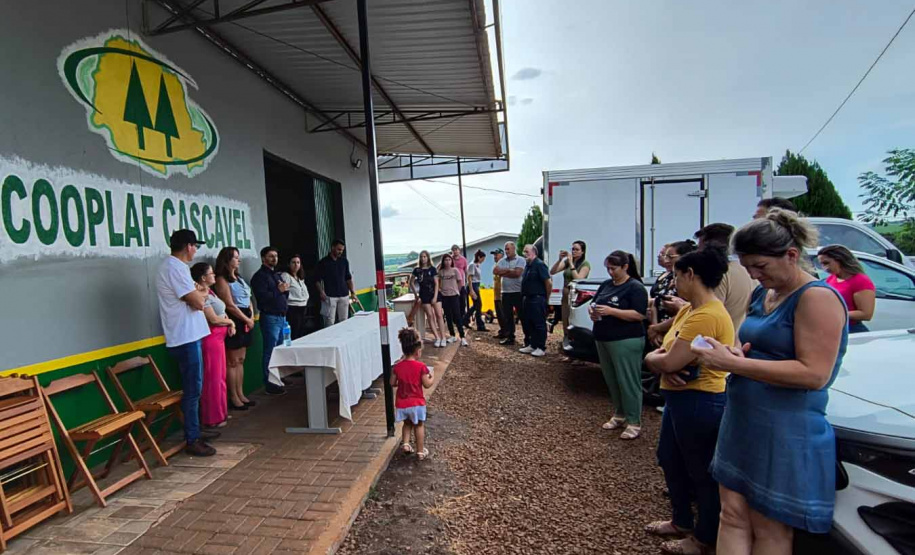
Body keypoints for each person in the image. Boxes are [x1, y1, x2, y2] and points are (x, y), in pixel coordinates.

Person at [692, 209, 848, 554]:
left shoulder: (816, 298)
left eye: (761, 267)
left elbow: (814, 374)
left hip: (783, 428)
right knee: (731, 515)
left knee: (769, 529)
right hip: (744, 419)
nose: (754, 275)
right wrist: (734, 354)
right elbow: (759, 349)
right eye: (748, 268)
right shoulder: (764, 294)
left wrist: (736, 366)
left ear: (792, 255)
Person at [643, 248, 734, 555]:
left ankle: (704, 537)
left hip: (700, 400)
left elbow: (670, 362)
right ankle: (681, 520)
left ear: (691, 275)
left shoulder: (707, 315)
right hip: (679, 398)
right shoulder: (689, 309)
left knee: (700, 470)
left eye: (678, 276)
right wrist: (658, 358)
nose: (674, 282)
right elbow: (665, 356)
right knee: (669, 457)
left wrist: (655, 359)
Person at [156, 230, 219, 457]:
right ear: (188, 246)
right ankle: (192, 438)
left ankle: (197, 430)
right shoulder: (174, 267)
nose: (195, 251)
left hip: (191, 334)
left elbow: (202, 295)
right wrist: (201, 292)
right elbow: (198, 302)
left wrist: (200, 292)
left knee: (197, 387)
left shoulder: (179, 268)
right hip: (184, 337)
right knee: (193, 389)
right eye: (195, 246)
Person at [590, 250, 647, 440]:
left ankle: (634, 421)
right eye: (608, 268)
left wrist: (612, 312)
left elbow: (639, 314)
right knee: (612, 379)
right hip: (603, 337)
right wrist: (594, 312)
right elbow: (595, 303)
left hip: (625, 339)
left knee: (628, 380)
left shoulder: (635, 287)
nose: (610, 272)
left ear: (625, 267)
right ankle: (619, 413)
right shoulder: (606, 285)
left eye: (614, 268)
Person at [191, 262, 235, 429]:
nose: (214, 276)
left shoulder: (210, 292)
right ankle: (212, 417)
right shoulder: (201, 295)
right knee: (213, 378)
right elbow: (213, 319)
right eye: (211, 273)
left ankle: (221, 411)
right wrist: (230, 321)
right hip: (211, 338)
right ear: (203, 277)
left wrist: (230, 324)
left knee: (221, 376)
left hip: (220, 338)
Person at [694, 223, 756, 334]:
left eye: (700, 248)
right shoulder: (751, 271)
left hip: (720, 343)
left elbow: (709, 316)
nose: (697, 254)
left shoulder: (719, 274)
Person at [214, 247, 255, 412]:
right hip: (235, 319)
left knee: (240, 360)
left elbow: (248, 298)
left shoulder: (238, 278)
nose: (239, 261)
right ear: (227, 260)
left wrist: (251, 316)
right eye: (236, 258)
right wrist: (245, 319)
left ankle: (241, 393)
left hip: (246, 316)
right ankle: (233, 397)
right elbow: (229, 304)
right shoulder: (221, 279)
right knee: (232, 361)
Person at [251, 246, 289, 396]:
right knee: (270, 350)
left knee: (280, 350)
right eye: (271, 256)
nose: (274, 259)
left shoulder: (276, 275)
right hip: (270, 317)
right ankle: (269, 383)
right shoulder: (259, 277)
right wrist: (278, 291)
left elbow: (284, 292)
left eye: (276, 256)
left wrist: (283, 292)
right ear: (263, 258)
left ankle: (278, 378)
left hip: (282, 316)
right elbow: (263, 297)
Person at [391, 328, 434, 461]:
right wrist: (432, 376)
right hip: (417, 403)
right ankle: (420, 451)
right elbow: (426, 384)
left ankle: (405, 444)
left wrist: (401, 381)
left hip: (402, 403)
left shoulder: (397, 366)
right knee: (419, 425)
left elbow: (392, 382)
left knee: (407, 423)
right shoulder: (421, 367)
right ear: (417, 351)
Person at [647, 241, 697, 346]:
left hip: (677, 330)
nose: (666, 260)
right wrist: (655, 328)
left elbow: (687, 312)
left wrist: (658, 328)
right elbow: (656, 302)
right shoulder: (666, 277)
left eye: (670, 257)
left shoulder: (690, 281)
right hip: (659, 328)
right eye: (665, 256)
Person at [818, 245, 876, 333]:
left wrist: (834, 314)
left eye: (826, 263)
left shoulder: (860, 280)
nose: (824, 268)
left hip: (851, 329)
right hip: (832, 328)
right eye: (821, 264)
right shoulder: (831, 279)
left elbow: (866, 314)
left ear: (840, 260)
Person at [550, 240, 591, 348]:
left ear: (582, 252)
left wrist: (572, 264)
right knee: (565, 321)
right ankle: (567, 345)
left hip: (576, 297)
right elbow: (552, 271)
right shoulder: (567, 262)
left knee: (575, 321)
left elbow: (579, 279)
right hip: (565, 296)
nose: (574, 251)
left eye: (577, 249)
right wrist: (560, 260)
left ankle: (578, 347)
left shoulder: (585, 264)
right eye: (572, 249)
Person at [520, 244, 552, 357]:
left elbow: (548, 283)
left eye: (527, 251)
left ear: (534, 252)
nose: (524, 254)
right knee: (530, 323)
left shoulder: (539, 264)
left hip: (537, 298)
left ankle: (541, 347)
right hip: (527, 298)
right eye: (524, 252)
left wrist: (546, 299)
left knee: (539, 324)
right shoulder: (528, 266)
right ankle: (532, 345)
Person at [316, 239, 356, 327]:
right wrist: (321, 292)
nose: (340, 252)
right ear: (332, 247)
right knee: (330, 322)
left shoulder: (344, 261)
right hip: (330, 296)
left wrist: (353, 292)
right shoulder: (323, 262)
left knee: (344, 320)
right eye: (338, 249)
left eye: (342, 250)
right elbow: (317, 280)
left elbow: (348, 278)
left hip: (344, 295)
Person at [410, 251, 445, 347]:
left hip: (434, 294)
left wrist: (435, 296)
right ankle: (437, 337)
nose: (423, 258)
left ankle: (443, 337)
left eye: (425, 256)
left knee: (439, 315)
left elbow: (437, 283)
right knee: (430, 315)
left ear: (428, 257)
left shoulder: (433, 269)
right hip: (424, 295)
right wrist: (415, 294)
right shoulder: (417, 270)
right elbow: (411, 281)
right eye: (421, 257)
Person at [494, 241, 525, 346]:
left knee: (522, 315)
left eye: (508, 249)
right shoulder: (502, 260)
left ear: (514, 249)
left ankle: (528, 338)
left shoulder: (521, 260)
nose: (507, 251)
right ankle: (510, 337)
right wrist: (509, 270)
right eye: (505, 249)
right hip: (505, 292)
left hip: (518, 292)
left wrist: (503, 272)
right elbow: (495, 271)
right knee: (508, 316)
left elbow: (517, 273)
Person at [437, 253, 468, 346]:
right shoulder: (441, 272)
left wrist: (457, 291)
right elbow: (436, 278)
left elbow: (460, 282)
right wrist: (440, 290)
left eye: (449, 260)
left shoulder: (455, 270)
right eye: (445, 260)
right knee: (448, 316)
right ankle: (452, 335)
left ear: (452, 261)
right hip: (444, 296)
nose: (447, 262)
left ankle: (462, 337)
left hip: (454, 296)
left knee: (457, 316)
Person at [281, 254, 310, 340]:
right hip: (293, 308)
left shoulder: (300, 277)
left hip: (303, 307)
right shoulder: (286, 276)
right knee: (294, 332)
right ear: (289, 264)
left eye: (298, 262)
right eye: (293, 262)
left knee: (301, 331)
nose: (296, 264)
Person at [464, 250, 487, 331]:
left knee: (476, 305)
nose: (483, 260)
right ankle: (480, 325)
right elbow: (469, 278)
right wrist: (471, 290)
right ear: (479, 257)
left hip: (476, 285)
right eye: (482, 258)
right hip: (473, 285)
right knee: (478, 305)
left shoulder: (477, 265)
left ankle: (465, 319)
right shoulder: (472, 265)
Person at [490, 248, 508, 339]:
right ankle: (502, 331)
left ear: (502, 255)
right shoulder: (496, 265)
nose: (495, 256)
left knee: (503, 314)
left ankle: (506, 332)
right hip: (496, 294)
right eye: (494, 255)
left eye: (496, 254)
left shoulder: (504, 264)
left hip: (502, 294)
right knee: (499, 315)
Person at [451, 244, 469, 322]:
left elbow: (466, 271)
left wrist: (467, 281)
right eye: (453, 250)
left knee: (462, 302)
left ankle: (462, 318)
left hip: (461, 284)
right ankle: (455, 318)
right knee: (454, 302)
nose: (455, 251)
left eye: (456, 249)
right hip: (452, 284)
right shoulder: (450, 259)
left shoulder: (463, 259)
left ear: (459, 250)